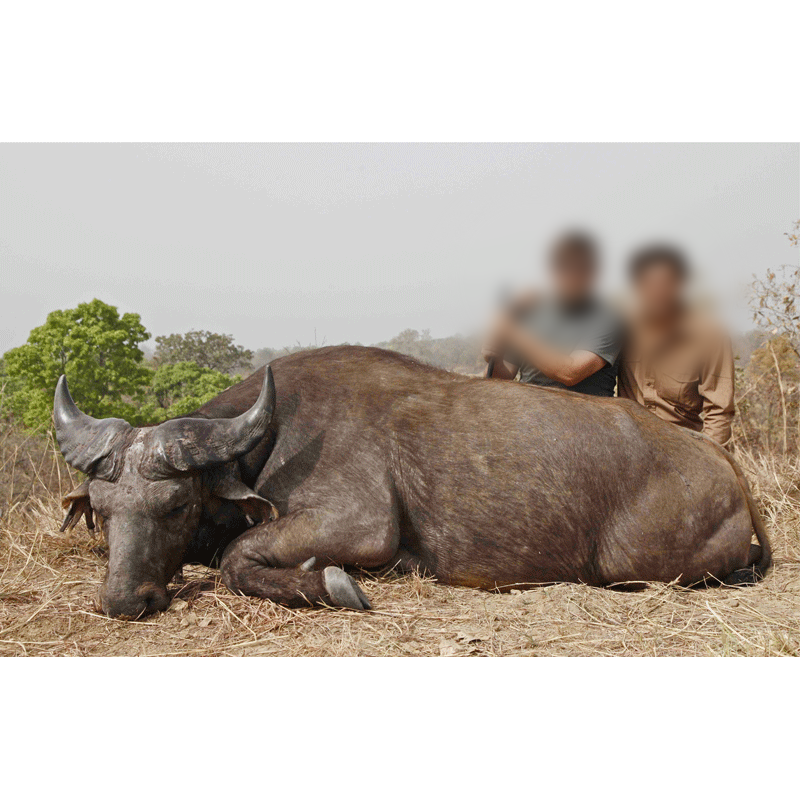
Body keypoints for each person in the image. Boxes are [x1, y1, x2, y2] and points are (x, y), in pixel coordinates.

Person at [617, 245, 735, 447]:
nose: (657, 292)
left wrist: (705, 460)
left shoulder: (710, 334)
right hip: (629, 443)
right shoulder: (621, 325)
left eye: (666, 283)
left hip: (683, 445)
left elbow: (719, 411)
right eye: (648, 284)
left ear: (681, 284)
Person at [482, 232, 622, 397]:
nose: (574, 276)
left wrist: (513, 331)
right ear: (553, 271)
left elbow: (570, 374)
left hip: (585, 415)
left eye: (582, 268)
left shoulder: (608, 318)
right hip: (528, 411)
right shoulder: (529, 310)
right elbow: (502, 376)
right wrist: (495, 358)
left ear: (594, 273)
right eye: (565, 267)